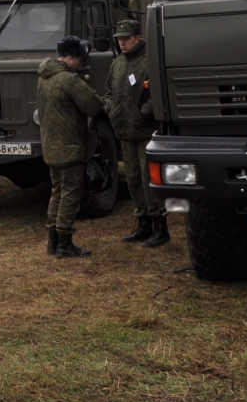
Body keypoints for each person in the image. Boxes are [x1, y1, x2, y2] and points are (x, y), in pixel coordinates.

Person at [37, 35, 105, 259]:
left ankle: (53, 241)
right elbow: (93, 105)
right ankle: (65, 244)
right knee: (70, 195)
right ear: (73, 57)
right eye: (79, 58)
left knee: (56, 193)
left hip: (51, 147)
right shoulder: (68, 80)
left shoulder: (44, 77)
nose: (80, 63)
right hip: (70, 148)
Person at [108, 19, 168, 248]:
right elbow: (108, 91)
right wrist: (110, 108)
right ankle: (142, 223)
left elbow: (158, 92)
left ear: (137, 37)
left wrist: (144, 113)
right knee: (133, 179)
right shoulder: (118, 64)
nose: (122, 43)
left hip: (144, 131)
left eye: (126, 38)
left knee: (148, 179)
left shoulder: (149, 61)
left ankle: (160, 226)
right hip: (124, 132)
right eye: (119, 39)